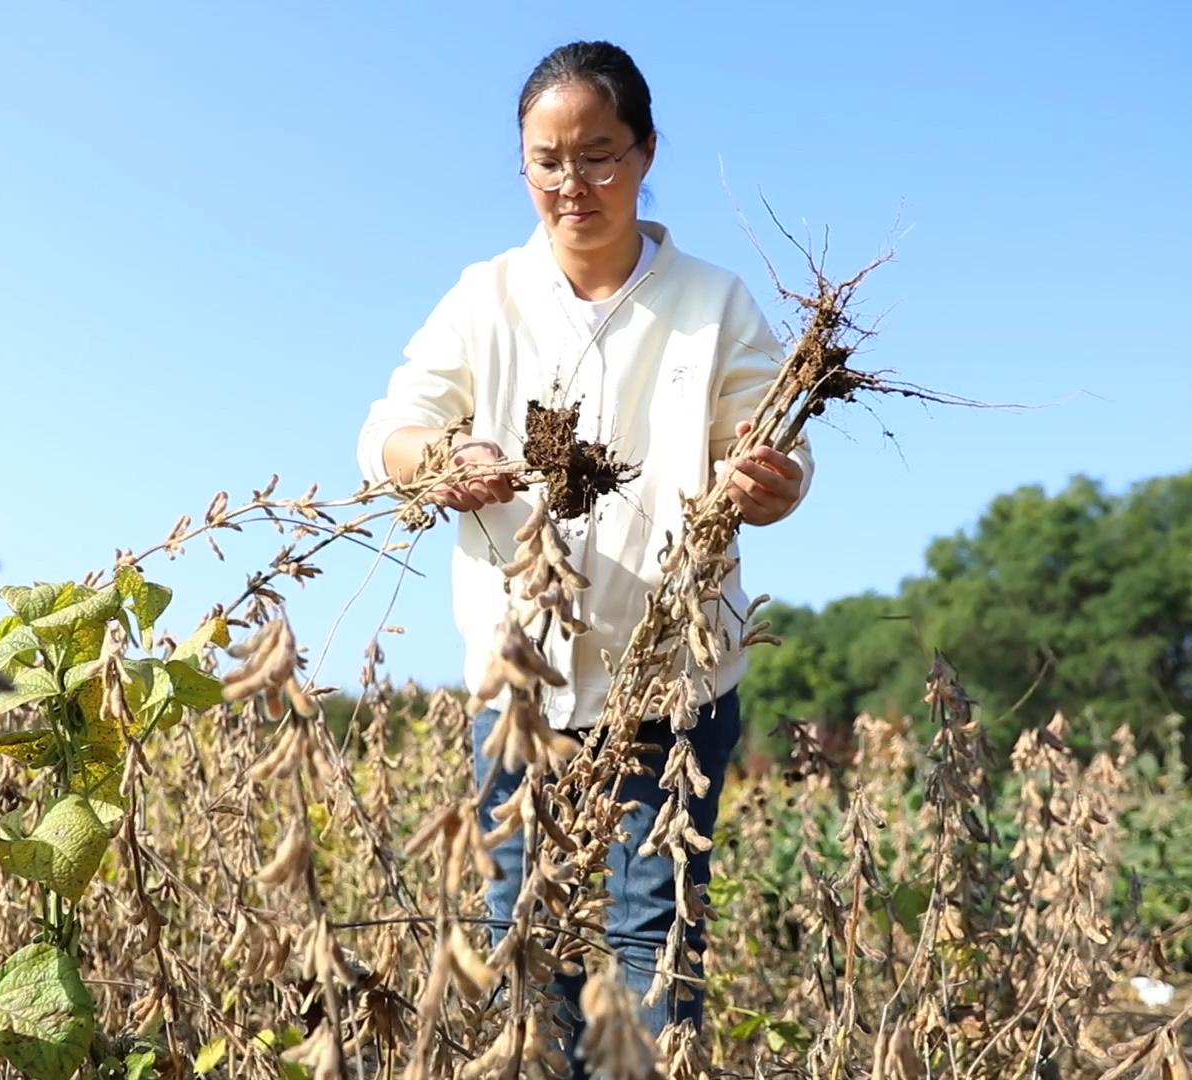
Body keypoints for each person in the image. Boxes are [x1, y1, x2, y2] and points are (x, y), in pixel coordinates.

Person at [355, 39, 815, 1067]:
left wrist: (767, 480)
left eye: (600, 156)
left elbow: (774, 449)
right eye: (548, 161)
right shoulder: (486, 298)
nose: (574, 185)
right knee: (526, 943)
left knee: (654, 943)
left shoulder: (714, 301)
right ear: (523, 165)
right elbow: (388, 432)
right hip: (523, 692)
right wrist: (441, 456)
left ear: (647, 153)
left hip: (676, 680)